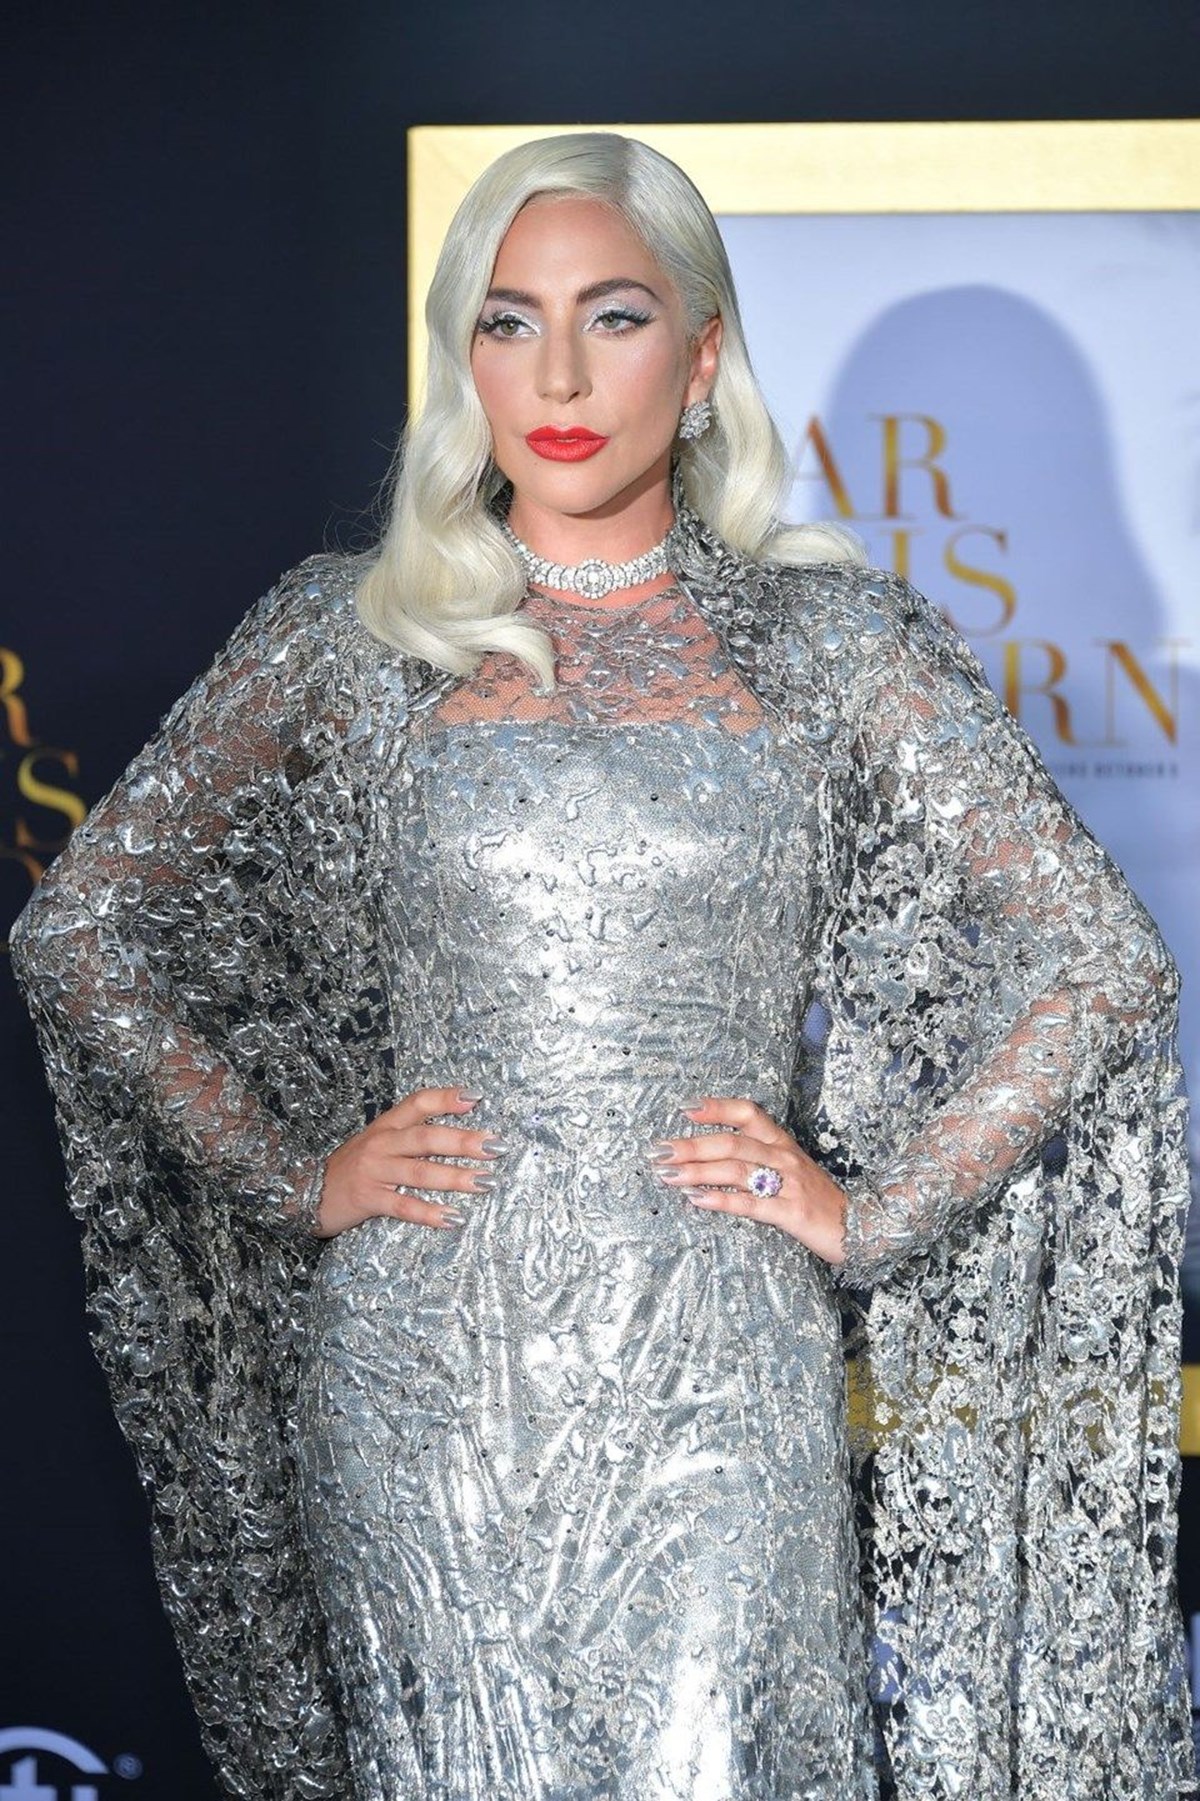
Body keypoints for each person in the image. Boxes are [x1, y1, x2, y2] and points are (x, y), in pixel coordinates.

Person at [9, 130, 1196, 1801]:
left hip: (720, 1376)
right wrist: (294, 1174)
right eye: (509, 322)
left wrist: (871, 1211)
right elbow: (79, 930)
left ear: (702, 357)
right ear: (466, 357)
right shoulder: (354, 632)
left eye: (614, 317)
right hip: (424, 1386)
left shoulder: (828, 646)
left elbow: (1102, 962)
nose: (558, 375)